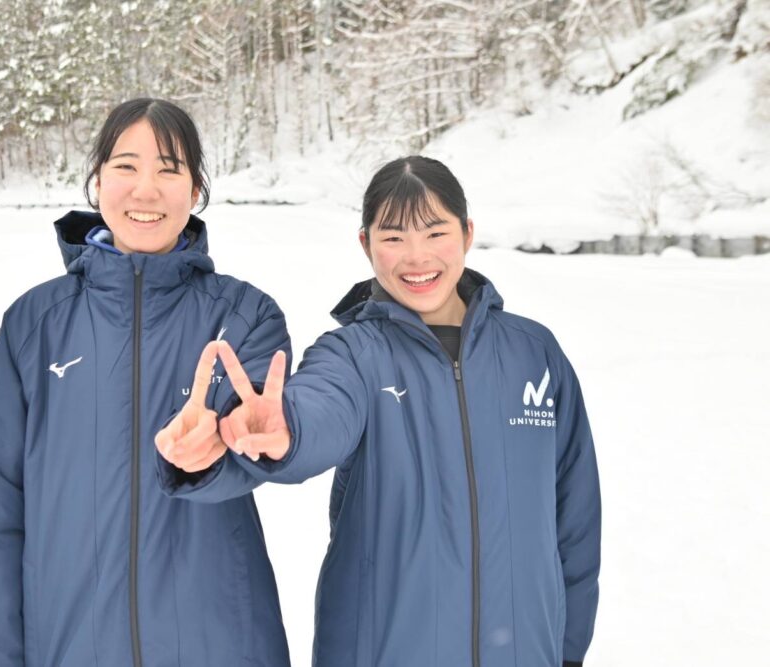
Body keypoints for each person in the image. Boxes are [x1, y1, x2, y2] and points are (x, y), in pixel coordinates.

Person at [158, 156, 601, 666]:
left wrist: (569, 651)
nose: (417, 257)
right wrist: (288, 431)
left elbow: (575, 515)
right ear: (366, 244)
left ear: (467, 233)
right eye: (393, 237)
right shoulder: (354, 354)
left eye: (436, 233)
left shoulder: (533, 353)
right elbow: (320, 408)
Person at [0, 98, 292, 666]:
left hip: (219, 645)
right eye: (126, 166)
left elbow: (255, 441)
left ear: (196, 189)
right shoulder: (34, 326)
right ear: (97, 181)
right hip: (68, 646)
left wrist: (212, 448)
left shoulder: (244, 316)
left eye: (169, 169)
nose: (145, 190)